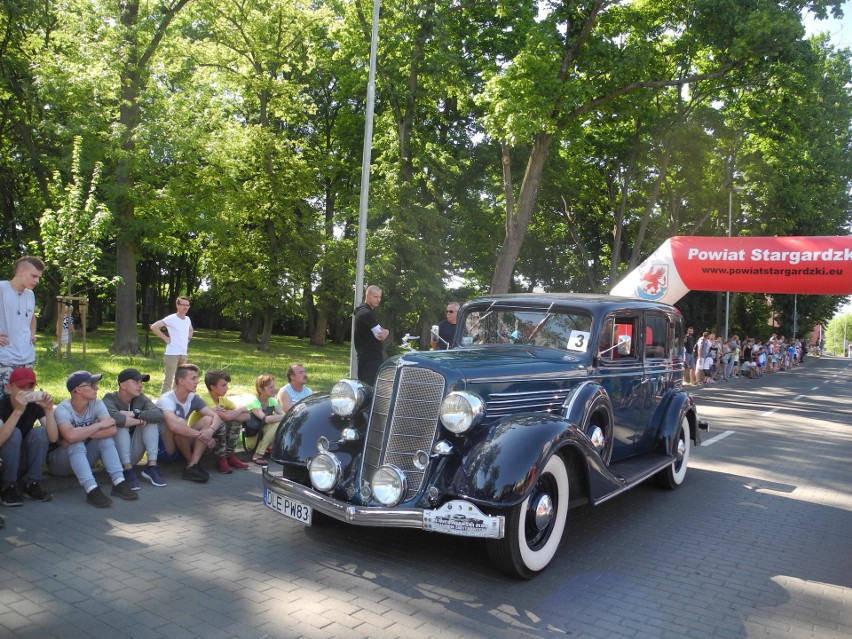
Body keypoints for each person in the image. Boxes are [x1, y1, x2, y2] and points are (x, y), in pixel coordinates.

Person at [47, 371, 138, 508]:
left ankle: (119, 482)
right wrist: (99, 425)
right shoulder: (63, 409)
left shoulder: (96, 403)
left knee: (105, 439)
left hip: (83, 457)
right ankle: (92, 490)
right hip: (60, 462)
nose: (97, 388)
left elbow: (112, 429)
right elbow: (71, 437)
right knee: (76, 443)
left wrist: (82, 433)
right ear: (78, 389)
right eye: (92, 385)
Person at [0, 368, 58, 506]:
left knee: (40, 432)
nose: (26, 391)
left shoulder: (35, 405)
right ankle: (8, 487)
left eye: (30, 387)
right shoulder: (2, 405)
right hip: (4, 462)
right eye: (21, 387)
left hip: (22, 460)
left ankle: (32, 484)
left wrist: (48, 410)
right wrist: (18, 411)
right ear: (9, 388)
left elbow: (53, 438)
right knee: (15, 433)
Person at [102, 368, 167, 489]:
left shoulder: (140, 398)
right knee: (121, 426)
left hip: (133, 451)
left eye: (141, 382)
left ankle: (152, 466)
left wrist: (135, 414)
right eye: (136, 382)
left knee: (150, 421)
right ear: (123, 385)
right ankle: (127, 470)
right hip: (114, 457)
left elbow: (159, 414)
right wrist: (138, 420)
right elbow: (115, 418)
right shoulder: (109, 399)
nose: (140, 385)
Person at [157, 364, 223, 482]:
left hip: (181, 444)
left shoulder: (192, 397)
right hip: (164, 449)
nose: (197, 381)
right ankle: (191, 464)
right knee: (180, 422)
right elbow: (174, 426)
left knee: (207, 419)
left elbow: (216, 416)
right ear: (181, 381)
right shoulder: (166, 399)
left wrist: (210, 430)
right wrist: (204, 437)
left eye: (197, 378)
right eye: (193, 378)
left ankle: (192, 466)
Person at [190, 369, 250, 474]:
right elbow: (225, 418)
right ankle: (221, 459)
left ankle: (229, 455)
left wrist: (234, 411)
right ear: (213, 387)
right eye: (223, 385)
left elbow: (247, 415)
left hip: (211, 437)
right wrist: (232, 413)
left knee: (234, 421)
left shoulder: (222, 399)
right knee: (221, 422)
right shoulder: (206, 399)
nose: (227, 388)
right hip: (200, 439)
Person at [0, 256, 44, 391]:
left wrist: (32, 333)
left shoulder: (30, 294)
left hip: (27, 358)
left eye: (39, 277)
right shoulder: (1, 288)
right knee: (5, 404)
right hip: (4, 358)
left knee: (26, 401)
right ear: (21, 272)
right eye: (34, 276)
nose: (36, 281)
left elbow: (31, 317)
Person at [150, 296, 193, 395]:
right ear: (177, 305)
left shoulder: (187, 319)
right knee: (168, 381)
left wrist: (188, 339)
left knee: (180, 381)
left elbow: (191, 330)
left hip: (183, 354)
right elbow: (154, 327)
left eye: (187, 305)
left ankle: (174, 401)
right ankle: (162, 405)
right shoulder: (171, 318)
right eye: (183, 305)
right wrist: (165, 338)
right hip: (172, 354)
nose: (185, 307)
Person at [247, 374, 286, 466]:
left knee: (281, 423)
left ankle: (269, 448)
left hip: (264, 435)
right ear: (260, 390)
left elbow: (283, 415)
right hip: (254, 437)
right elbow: (266, 419)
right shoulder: (254, 402)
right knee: (278, 423)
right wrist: (285, 416)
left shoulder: (271, 401)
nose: (274, 389)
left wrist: (284, 416)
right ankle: (258, 454)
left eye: (274, 386)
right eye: (270, 387)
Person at [354, 285, 389, 385]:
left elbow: (381, 331)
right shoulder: (366, 313)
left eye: (380, 297)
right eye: (375, 297)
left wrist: (386, 331)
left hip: (366, 359)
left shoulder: (363, 311)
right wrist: (386, 331)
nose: (378, 300)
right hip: (370, 361)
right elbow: (381, 335)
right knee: (372, 392)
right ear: (367, 295)